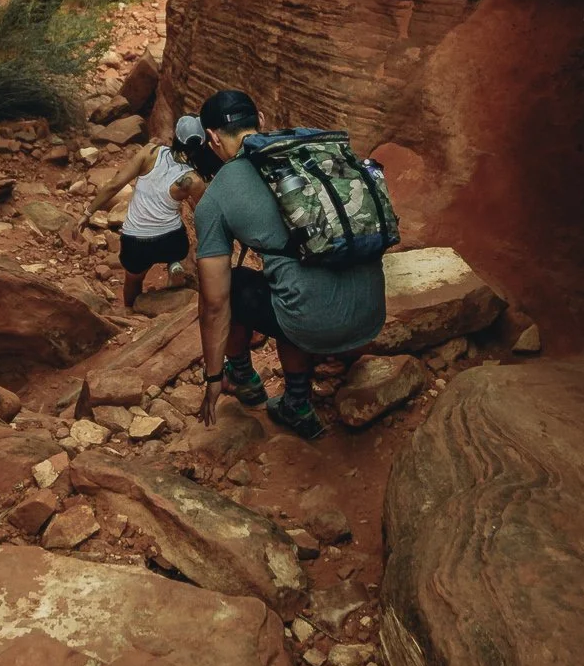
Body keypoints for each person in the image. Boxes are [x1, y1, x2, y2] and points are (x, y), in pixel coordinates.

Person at [193, 86, 386, 440]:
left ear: (211, 138)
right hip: (371, 315)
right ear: (261, 121)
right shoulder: (312, 154)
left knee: (231, 287)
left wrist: (211, 378)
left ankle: (252, 384)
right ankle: (296, 394)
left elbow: (215, 305)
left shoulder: (216, 196)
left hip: (318, 325)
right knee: (289, 277)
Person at [107, 114, 212, 311]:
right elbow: (205, 212)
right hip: (172, 241)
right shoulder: (194, 178)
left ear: (175, 138)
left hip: (135, 241)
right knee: (179, 230)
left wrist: (88, 212)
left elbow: (114, 184)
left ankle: (130, 310)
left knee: (133, 278)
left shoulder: (151, 152)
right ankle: (173, 261)